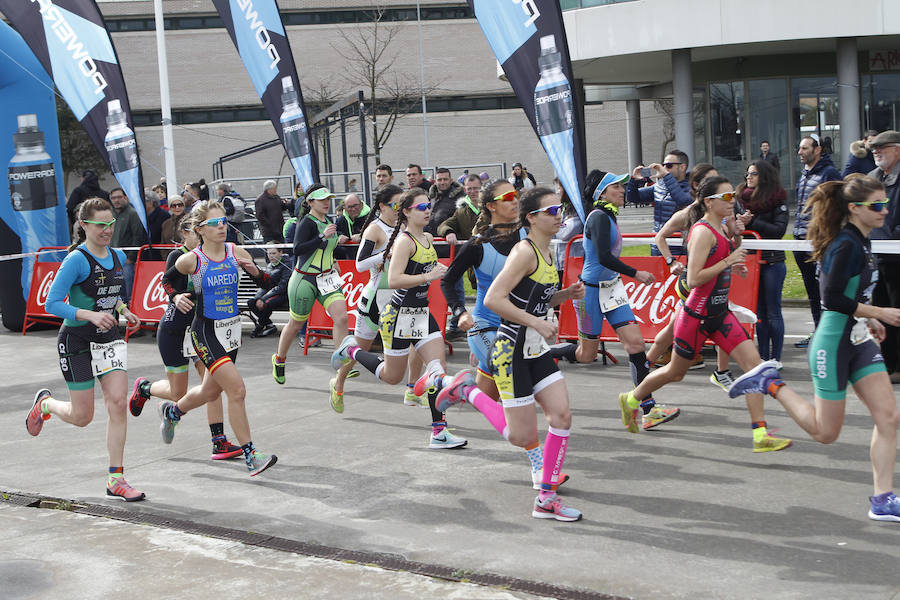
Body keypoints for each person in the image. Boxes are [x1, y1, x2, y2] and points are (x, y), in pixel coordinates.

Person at [727, 176, 900, 521]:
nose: (884, 211)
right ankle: (770, 382)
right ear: (854, 209)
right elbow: (833, 299)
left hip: (858, 339)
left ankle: (882, 498)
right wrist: (878, 311)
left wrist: (869, 319)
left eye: (886, 203)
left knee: (889, 418)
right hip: (832, 343)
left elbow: (852, 296)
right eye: (876, 206)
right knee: (825, 433)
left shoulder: (860, 240)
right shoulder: (845, 244)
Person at [436, 186, 586, 521]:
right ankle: (467, 391)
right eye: (551, 211)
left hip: (535, 349)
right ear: (531, 218)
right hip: (510, 348)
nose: (558, 215)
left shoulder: (547, 251)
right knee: (522, 436)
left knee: (561, 417)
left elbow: (534, 298)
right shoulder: (524, 251)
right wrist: (537, 322)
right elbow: (493, 300)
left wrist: (563, 295)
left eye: (559, 209)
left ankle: (546, 498)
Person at [619, 176, 792, 452]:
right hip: (696, 317)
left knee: (754, 366)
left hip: (720, 314)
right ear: (709, 202)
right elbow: (695, 277)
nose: (732, 201)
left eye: (732, 196)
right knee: (675, 373)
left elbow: (717, 264)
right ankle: (631, 399)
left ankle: (760, 435)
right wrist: (728, 261)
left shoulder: (722, 228)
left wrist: (732, 267)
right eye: (725, 198)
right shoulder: (702, 232)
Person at [26, 198, 145, 501]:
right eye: (100, 225)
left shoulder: (118, 255)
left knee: (117, 403)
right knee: (83, 417)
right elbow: (51, 304)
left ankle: (116, 478)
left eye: (111, 224)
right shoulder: (76, 260)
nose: (107, 230)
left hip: (109, 340)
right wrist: (89, 315)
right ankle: (46, 405)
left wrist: (124, 310)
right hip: (76, 341)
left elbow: (111, 296)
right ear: (84, 225)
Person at [330, 188, 467, 449]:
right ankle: (351, 350)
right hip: (397, 314)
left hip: (421, 313)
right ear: (406, 211)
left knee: (438, 368)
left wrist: (439, 272)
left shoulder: (427, 236)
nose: (427, 211)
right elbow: (394, 280)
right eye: (420, 207)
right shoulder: (403, 241)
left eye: (428, 206)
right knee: (393, 376)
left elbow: (427, 269)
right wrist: (429, 276)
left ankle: (439, 432)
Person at [153, 200, 278, 476]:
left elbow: (268, 284)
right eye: (214, 223)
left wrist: (255, 272)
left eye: (223, 221)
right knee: (237, 390)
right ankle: (250, 455)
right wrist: (176, 297)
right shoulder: (192, 259)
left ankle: (172, 412)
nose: (221, 226)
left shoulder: (236, 252)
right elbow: (166, 280)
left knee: (211, 391)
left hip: (231, 332)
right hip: (205, 331)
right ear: (200, 229)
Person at [567, 170, 680, 431]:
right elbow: (605, 257)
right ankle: (538, 356)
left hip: (612, 290)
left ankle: (648, 409)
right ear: (602, 193)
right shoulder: (597, 218)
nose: (622, 191)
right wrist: (636, 273)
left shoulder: (609, 216)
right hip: (590, 294)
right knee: (586, 355)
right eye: (616, 187)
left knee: (636, 344)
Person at [127, 219, 243, 461]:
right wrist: (177, 297)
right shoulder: (179, 258)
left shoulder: (216, 257)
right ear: (186, 233)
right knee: (178, 393)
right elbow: (169, 287)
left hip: (201, 332)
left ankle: (218, 441)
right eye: (195, 232)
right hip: (175, 331)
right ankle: (145, 388)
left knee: (212, 387)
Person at [329, 184, 406, 409]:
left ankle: (412, 389)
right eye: (396, 205)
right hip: (376, 297)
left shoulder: (404, 225)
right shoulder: (375, 229)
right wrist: (386, 254)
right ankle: (338, 382)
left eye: (403, 205)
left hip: (402, 295)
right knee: (359, 348)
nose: (400, 209)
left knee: (417, 344)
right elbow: (360, 263)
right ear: (382, 206)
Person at [271, 185, 350, 385]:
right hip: (305, 280)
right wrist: (323, 237)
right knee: (296, 323)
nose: (326, 202)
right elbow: (298, 249)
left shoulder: (329, 221)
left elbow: (327, 249)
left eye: (328, 198)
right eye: (321, 199)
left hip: (327, 279)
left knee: (341, 317)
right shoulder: (306, 222)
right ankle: (279, 359)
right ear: (310, 202)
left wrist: (334, 254)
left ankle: (341, 363)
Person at [736, 160, 788, 367]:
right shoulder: (740, 199)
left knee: (773, 311)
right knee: (758, 313)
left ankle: (776, 358)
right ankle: (763, 357)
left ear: (764, 177)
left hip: (773, 261)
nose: (748, 177)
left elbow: (779, 230)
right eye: (747, 174)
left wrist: (753, 222)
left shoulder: (777, 199)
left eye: (754, 174)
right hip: (750, 260)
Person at [793, 134, 841, 348]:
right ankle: (818, 332)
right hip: (800, 239)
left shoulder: (829, 172)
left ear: (818, 149)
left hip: (817, 241)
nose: (800, 152)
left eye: (804, 148)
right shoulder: (804, 174)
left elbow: (834, 207)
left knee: (822, 291)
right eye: (800, 148)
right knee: (812, 292)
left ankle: (826, 336)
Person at [869, 130, 900, 384]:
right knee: (881, 312)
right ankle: (888, 365)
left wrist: (889, 236)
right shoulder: (873, 178)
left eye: (883, 148)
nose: (876, 152)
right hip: (876, 257)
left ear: (897, 150)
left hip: (896, 257)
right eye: (874, 149)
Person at [437, 173, 484, 339]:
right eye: (469, 188)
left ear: (482, 187)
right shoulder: (462, 211)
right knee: (481, 299)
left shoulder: (491, 207)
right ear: (465, 189)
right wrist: (448, 232)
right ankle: (477, 331)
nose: (473, 191)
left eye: (476, 188)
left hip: (493, 260)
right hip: (475, 262)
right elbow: (444, 224)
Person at [626, 150, 693, 255]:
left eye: (669, 165)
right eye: (663, 165)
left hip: (678, 244)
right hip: (657, 242)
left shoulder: (692, 187)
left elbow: (682, 200)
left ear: (682, 167)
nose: (664, 168)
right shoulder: (660, 185)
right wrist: (634, 180)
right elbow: (633, 197)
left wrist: (666, 177)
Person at [108, 187, 148, 304]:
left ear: (125, 197)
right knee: (116, 287)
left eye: (119, 197)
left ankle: (131, 306)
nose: (116, 200)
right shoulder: (111, 214)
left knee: (129, 287)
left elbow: (137, 236)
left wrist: (131, 257)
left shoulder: (132, 213)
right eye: (113, 198)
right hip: (112, 257)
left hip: (127, 259)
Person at [248, 245, 291, 337]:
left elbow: (282, 287)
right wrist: (258, 298)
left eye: (274, 253)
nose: (271, 256)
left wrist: (263, 299)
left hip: (283, 294)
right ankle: (268, 324)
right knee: (251, 302)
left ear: (281, 252)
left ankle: (260, 324)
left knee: (267, 304)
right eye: (269, 253)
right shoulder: (269, 265)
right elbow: (265, 285)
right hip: (270, 293)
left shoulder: (286, 265)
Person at [427, 168, 464, 236]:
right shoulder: (430, 198)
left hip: (450, 241)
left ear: (451, 180)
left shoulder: (460, 199)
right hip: (431, 241)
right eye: (439, 180)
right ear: (435, 181)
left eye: (445, 179)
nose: (442, 182)